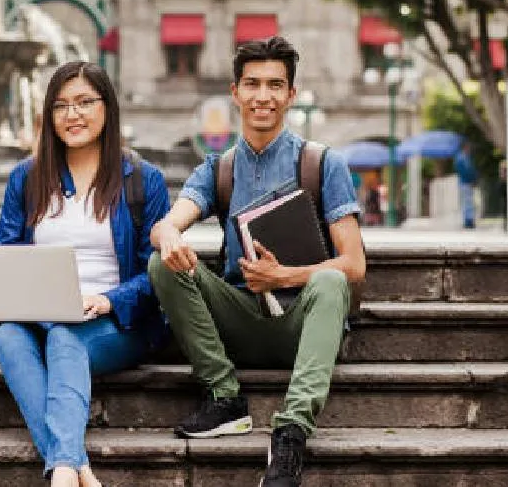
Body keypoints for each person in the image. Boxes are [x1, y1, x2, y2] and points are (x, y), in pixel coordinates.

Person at [147, 37, 366, 487]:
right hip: (239, 321)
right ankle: (225, 399)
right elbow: (170, 222)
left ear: (290, 94)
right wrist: (168, 234)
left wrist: (286, 275)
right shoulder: (218, 168)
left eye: (274, 85)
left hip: (304, 325)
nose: (262, 96)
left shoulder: (323, 164)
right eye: (252, 84)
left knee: (330, 282)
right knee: (159, 263)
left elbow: (354, 264)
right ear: (235, 92)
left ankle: (291, 433)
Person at [0, 61, 170, 487]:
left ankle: (63, 473)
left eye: (84, 103)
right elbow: (4, 253)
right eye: (60, 106)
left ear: (107, 107)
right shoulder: (27, 178)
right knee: (7, 337)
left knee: (64, 337)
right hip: (42, 315)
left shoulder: (144, 181)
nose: (72, 115)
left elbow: (156, 273)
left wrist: (109, 299)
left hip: (116, 321)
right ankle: (72, 466)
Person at [454, 142, 478, 229]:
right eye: (468, 147)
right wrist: (471, 180)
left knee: (469, 201)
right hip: (465, 182)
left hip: (466, 182)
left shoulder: (465, 157)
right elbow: (464, 171)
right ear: (465, 147)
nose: (470, 149)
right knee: (467, 201)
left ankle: (469, 220)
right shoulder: (461, 158)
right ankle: (468, 221)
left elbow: (470, 170)